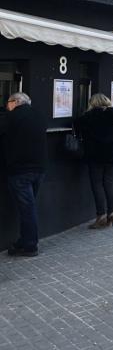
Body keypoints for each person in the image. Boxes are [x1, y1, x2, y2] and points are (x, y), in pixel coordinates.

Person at [0, 93, 47, 256]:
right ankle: (24, 240)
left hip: (20, 171)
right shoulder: (39, 115)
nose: (7, 106)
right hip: (39, 169)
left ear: (15, 102)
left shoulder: (11, 117)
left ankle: (30, 245)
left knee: (27, 209)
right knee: (28, 207)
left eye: (8, 103)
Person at [74, 93, 113, 229]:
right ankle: (112, 212)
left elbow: (76, 124)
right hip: (111, 154)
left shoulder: (87, 116)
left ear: (92, 103)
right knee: (109, 183)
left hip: (95, 155)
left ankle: (101, 215)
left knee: (97, 185)